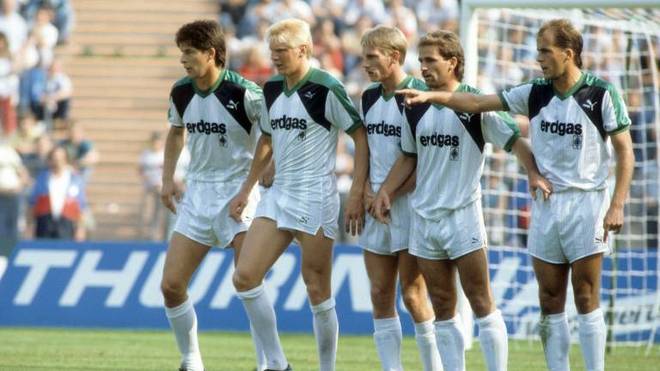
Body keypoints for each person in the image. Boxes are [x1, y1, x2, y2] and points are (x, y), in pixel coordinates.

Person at [396, 19, 634, 371]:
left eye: (545, 51)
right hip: (547, 205)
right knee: (550, 298)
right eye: (537, 49)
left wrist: (617, 204)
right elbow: (479, 103)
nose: (538, 57)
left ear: (568, 54)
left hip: (588, 203)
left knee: (585, 296)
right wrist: (432, 97)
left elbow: (625, 152)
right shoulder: (534, 92)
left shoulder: (601, 94)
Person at [374, 30, 551, 371]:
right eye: (421, 60)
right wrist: (387, 190)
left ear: (453, 62)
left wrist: (532, 171)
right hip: (424, 218)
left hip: (463, 216)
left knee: (481, 299)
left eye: (431, 60)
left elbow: (515, 142)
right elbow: (409, 157)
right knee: (441, 303)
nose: (423, 67)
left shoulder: (475, 104)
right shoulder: (415, 104)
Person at [232, 18, 368, 371]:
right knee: (245, 277)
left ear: (303, 50)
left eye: (281, 52)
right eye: (271, 51)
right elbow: (266, 139)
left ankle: (327, 368)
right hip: (277, 195)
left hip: (315, 197)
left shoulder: (326, 87)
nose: (274, 58)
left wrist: (356, 191)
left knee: (317, 290)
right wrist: (249, 186)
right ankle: (277, 363)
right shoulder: (272, 87)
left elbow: (359, 135)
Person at [159, 20, 270, 371]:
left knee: (248, 281)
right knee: (172, 285)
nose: (183, 60)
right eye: (182, 53)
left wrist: (249, 188)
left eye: (189, 53)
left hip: (240, 193)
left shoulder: (245, 93)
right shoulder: (181, 92)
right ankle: (191, 360)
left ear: (211, 54)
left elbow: (269, 139)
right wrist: (167, 179)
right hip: (199, 194)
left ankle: (267, 363)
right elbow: (176, 133)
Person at [358, 25, 440, 371]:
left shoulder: (421, 94)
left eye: (371, 57)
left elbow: (426, 159)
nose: (365, 64)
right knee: (379, 293)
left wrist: (390, 194)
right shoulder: (368, 97)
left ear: (394, 57)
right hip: (376, 203)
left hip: (410, 205)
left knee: (411, 293)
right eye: (363, 57)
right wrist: (363, 190)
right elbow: (368, 148)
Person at [29, 145, 87, 240]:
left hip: (66, 223)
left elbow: (81, 206)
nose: (57, 162)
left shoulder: (74, 180)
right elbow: (33, 203)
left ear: (65, 160)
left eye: (60, 159)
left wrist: (81, 228)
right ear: (50, 160)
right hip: (45, 223)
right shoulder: (42, 179)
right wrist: (30, 225)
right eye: (55, 159)